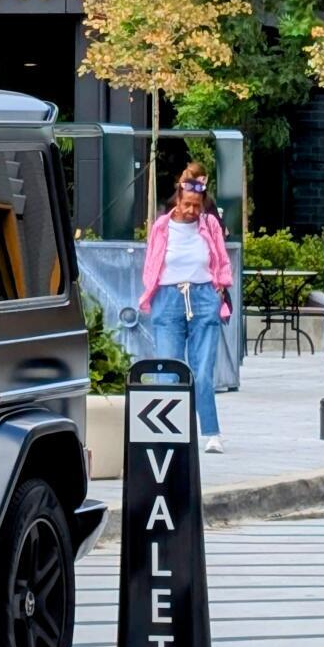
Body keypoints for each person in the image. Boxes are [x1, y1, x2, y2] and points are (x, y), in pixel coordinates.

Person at [136, 165, 235, 452]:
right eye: (187, 204)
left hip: (204, 295)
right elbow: (152, 261)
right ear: (177, 200)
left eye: (197, 206)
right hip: (168, 297)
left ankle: (212, 432)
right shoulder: (162, 226)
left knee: (203, 370)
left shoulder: (210, 225)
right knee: (169, 368)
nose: (192, 211)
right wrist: (150, 290)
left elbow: (221, 258)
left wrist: (220, 287)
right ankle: (169, 430)